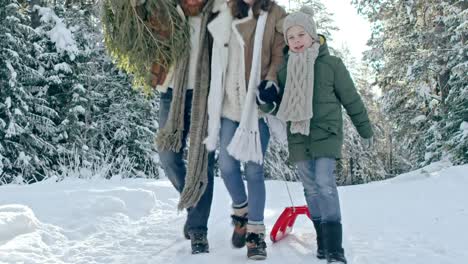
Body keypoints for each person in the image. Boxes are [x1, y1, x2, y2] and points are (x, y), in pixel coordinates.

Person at [257, 6, 374, 264]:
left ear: (312, 35)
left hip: (326, 132)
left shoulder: (331, 65)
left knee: (325, 183)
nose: (297, 41)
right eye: (291, 37)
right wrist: (265, 100)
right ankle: (322, 243)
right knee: (310, 188)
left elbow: (351, 99)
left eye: (301, 35)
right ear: (287, 41)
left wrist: (365, 128)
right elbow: (277, 106)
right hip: (298, 136)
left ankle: (335, 249)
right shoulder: (286, 71)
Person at [204, 0, 286, 260]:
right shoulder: (226, 11)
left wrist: (271, 79)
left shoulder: (274, 14)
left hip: (255, 108)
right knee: (226, 165)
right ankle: (241, 210)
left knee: (253, 170)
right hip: (229, 105)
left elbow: (278, 53)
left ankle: (255, 235)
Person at [150, 0, 217, 255]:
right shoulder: (166, 11)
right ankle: (193, 205)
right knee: (167, 157)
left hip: (205, 96)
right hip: (172, 93)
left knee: (203, 162)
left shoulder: (218, 14)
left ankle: (199, 230)